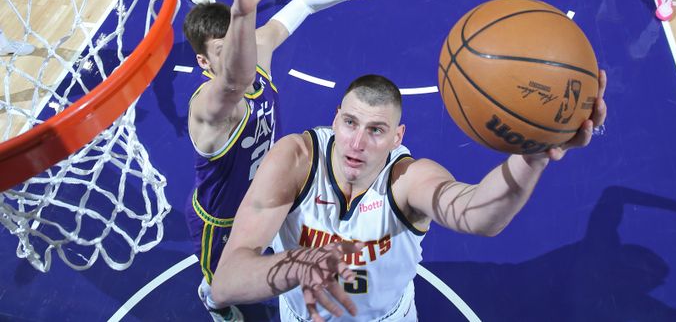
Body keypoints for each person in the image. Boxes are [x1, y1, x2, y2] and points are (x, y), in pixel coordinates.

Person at [210, 72, 607, 321]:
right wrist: (301, 262)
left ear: (398, 137)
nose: (357, 143)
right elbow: (226, 283)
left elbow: (477, 215)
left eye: (377, 130)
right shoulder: (295, 161)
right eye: (350, 123)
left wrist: (534, 157)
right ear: (335, 118)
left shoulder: (407, 178)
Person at [183, 0, 403, 321]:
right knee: (222, 285)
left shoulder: (255, 48)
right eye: (225, 49)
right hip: (224, 217)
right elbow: (233, 81)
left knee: (271, 263)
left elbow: (303, 2)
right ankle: (213, 304)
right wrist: (242, 11)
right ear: (204, 64)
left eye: (241, 39)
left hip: (268, 198)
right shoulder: (208, 108)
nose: (240, 49)